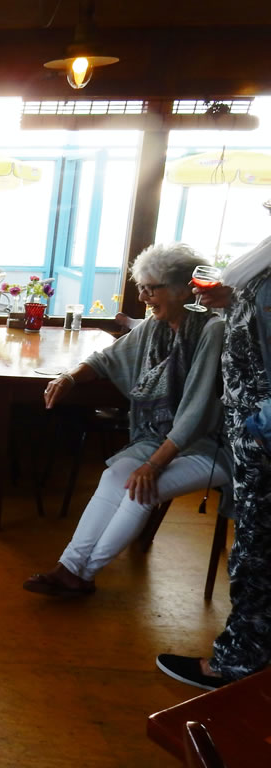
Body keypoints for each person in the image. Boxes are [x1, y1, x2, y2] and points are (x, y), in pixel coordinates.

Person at [23, 243, 230, 597]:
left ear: (182, 290)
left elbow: (197, 413)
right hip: (161, 437)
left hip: (210, 446)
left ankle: (82, 574)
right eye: (141, 288)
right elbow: (105, 359)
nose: (143, 297)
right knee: (113, 476)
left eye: (151, 289)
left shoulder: (211, 330)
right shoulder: (156, 327)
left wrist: (152, 465)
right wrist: (69, 377)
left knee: (139, 491)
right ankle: (70, 568)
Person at [157, 233, 271, 689]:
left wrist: (260, 426)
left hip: (263, 441)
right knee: (257, 550)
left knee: (257, 555)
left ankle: (235, 667)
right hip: (253, 436)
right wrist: (232, 302)